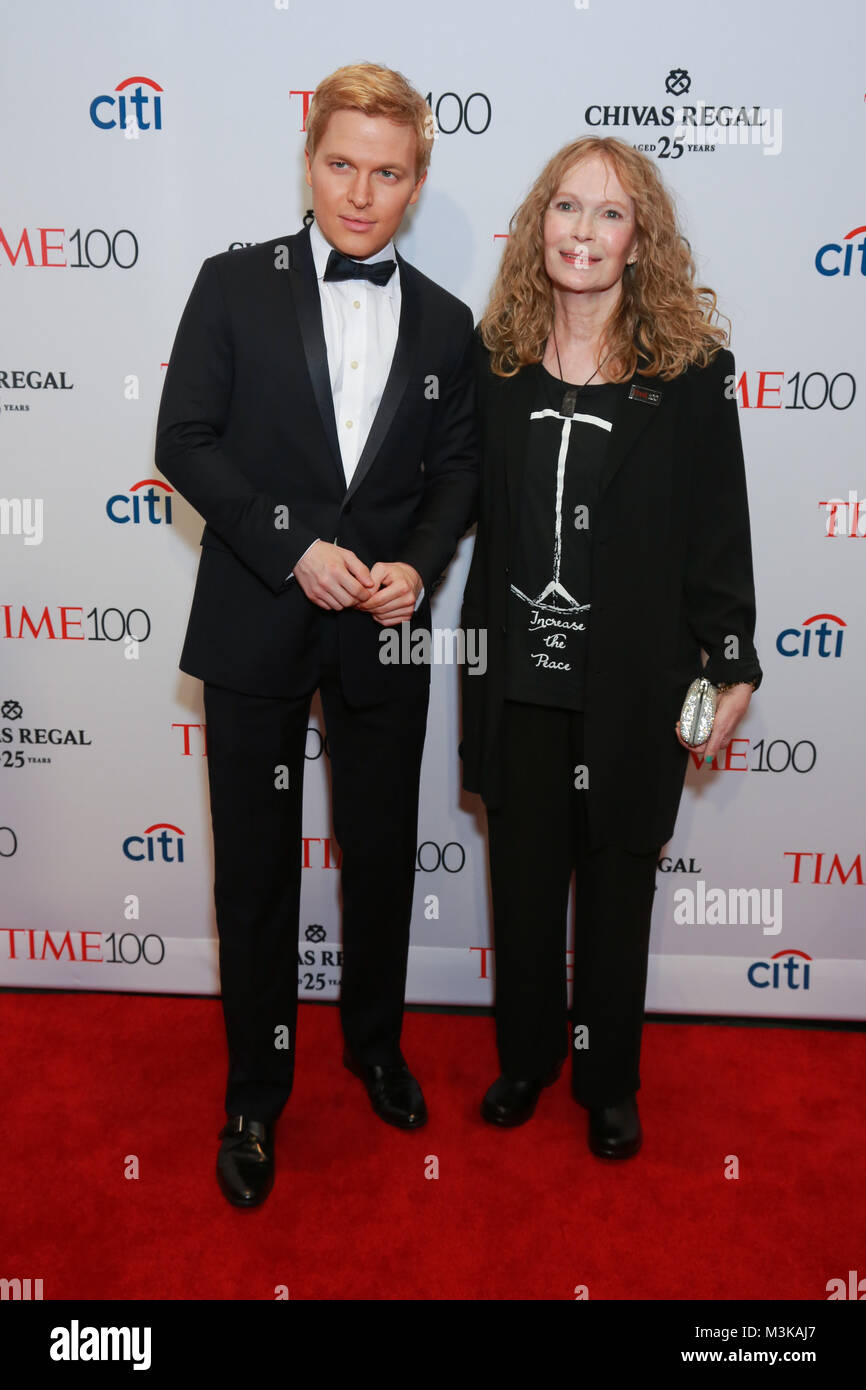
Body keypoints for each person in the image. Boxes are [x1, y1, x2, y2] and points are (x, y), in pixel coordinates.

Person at [155, 63, 477, 1206]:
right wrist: (289, 544)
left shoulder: (447, 322)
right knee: (252, 870)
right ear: (309, 157)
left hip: (384, 631)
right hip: (254, 608)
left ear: (418, 181)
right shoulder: (231, 285)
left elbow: (456, 474)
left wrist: (417, 565)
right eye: (341, 163)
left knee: (382, 853)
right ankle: (254, 1093)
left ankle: (376, 1047)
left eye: (387, 173)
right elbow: (184, 439)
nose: (360, 193)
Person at [459, 136, 762, 1158]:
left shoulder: (688, 377)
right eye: (565, 207)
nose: (581, 231)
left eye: (608, 214)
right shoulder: (491, 366)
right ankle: (526, 1058)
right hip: (521, 678)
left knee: (619, 881)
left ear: (639, 243)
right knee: (526, 881)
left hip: (633, 684)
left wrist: (730, 659)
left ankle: (607, 1078)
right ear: (537, 223)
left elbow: (718, 532)